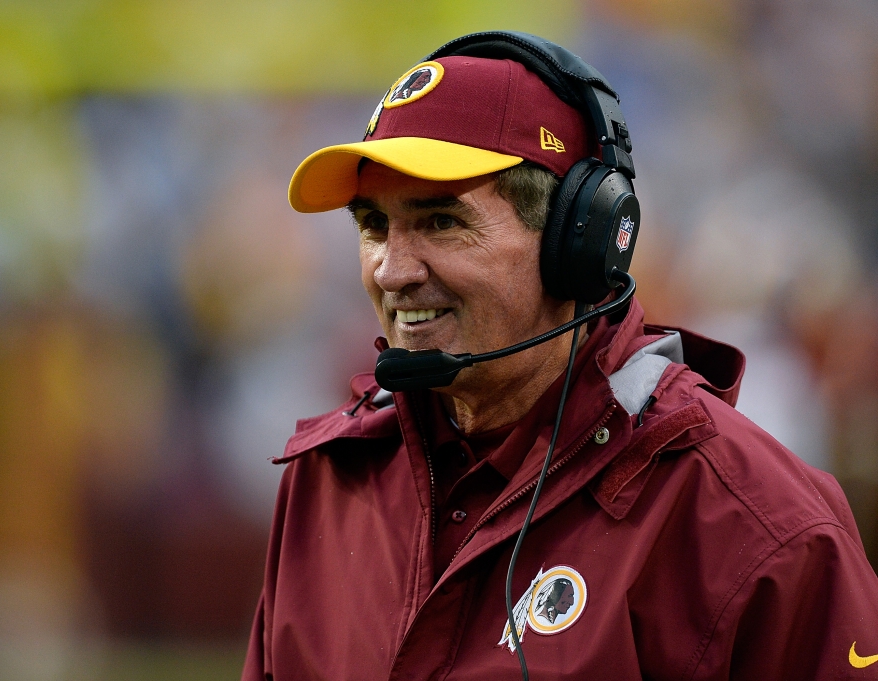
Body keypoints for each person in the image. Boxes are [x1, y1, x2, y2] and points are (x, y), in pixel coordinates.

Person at [242, 31, 878, 680]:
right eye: (374, 226)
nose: (393, 269)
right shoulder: (324, 484)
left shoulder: (756, 524)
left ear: (579, 242)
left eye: (440, 222)